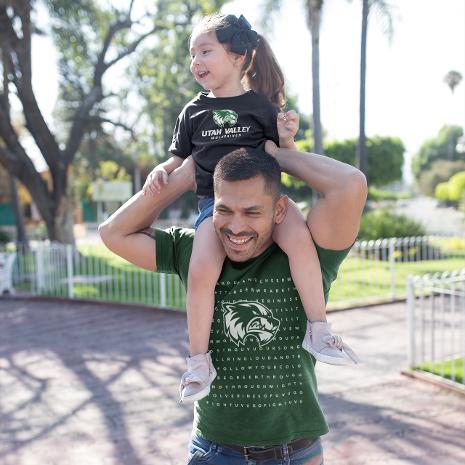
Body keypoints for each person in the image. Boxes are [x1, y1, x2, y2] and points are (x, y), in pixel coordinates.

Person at [99, 143, 367, 465]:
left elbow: (350, 184)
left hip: (297, 454)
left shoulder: (310, 256)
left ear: (279, 210)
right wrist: (183, 178)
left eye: (252, 212)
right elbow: (113, 232)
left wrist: (277, 155)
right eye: (224, 210)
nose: (236, 227)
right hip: (215, 453)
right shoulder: (195, 253)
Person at [142, 13, 356, 404]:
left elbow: (283, 155)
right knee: (200, 271)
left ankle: (319, 329)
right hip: (215, 209)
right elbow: (177, 160)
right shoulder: (192, 112)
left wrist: (288, 137)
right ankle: (198, 361)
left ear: (238, 56)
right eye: (192, 53)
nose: (196, 61)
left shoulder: (260, 106)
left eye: (205, 50)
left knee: (300, 243)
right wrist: (161, 169)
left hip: (270, 206)